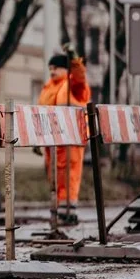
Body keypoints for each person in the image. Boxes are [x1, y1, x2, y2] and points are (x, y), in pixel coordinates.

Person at [37, 44, 91, 224]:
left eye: (56, 68)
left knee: (69, 174)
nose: (52, 71)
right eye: (50, 68)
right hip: (52, 139)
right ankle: (59, 209)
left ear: (65, 69)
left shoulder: (72, 84)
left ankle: (68, 211)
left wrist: (74, 60)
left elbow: (79, 77)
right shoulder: (48, 88)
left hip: (71, 137)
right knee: (55, 175)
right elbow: (41, 113)